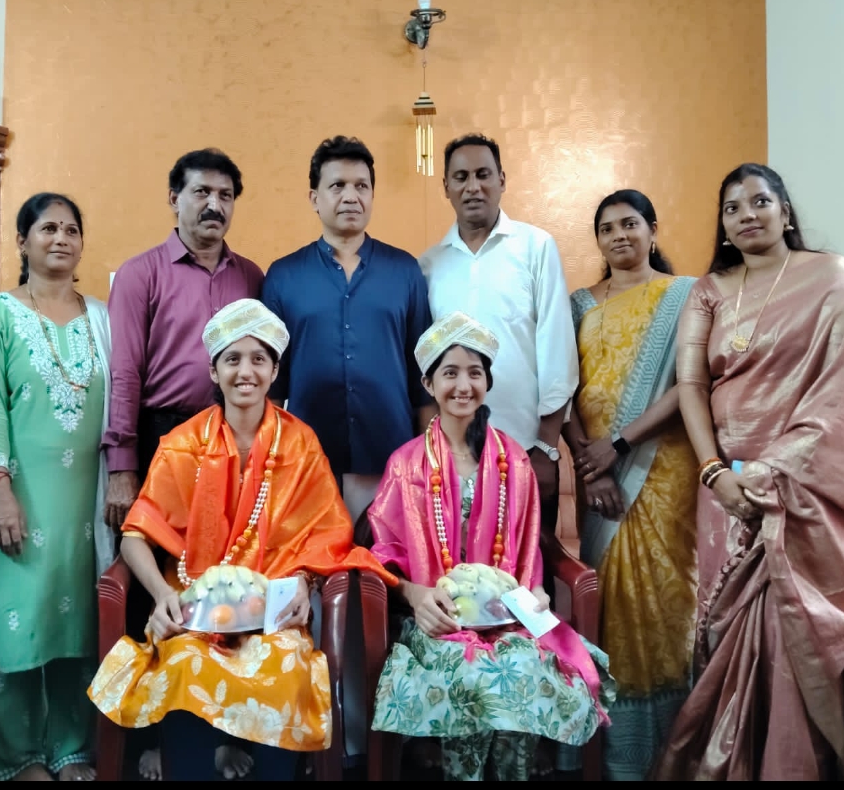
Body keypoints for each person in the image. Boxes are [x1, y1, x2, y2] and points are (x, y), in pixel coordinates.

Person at [88, 298, 395, 781]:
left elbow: (328, 531)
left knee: (286, 664)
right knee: (184, 662)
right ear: (214, 371)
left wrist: (304, 581)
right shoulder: (184, 443)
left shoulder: (300, 444)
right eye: (232, 359)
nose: (245, 371)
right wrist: (164, 594)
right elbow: (134, 535)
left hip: (272, 616)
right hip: (194, 613)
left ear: (275, 371)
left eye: (258, 359)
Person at [652, 164, 844, 780]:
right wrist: (714, 472)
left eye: (760, 201)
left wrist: (770, 471)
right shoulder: (709, 290)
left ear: (785, 211)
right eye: (732, 208)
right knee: (725, 631)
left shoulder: (833, 280)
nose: (747, 215)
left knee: (785, 634)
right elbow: (691, 385)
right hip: (723, 489)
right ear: (723, 225)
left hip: (803, 490)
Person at [368, 311, 614, 781]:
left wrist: (534, 593)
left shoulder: (513, 460)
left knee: (521, 664)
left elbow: (528, 546)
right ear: (428, 383)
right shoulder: (406, 464)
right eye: (450, 373)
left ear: (487, 382)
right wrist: (416, 596)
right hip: (438, 619)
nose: (463, 385)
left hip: (506, 616)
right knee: (470, 671)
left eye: (475, 373)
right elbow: (385, 552)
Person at [101, 148, 263, 779]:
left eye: (225, 195)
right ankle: (152, 738)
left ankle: (225, 729)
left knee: (226, 579)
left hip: (236, 437)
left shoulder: (251, 276)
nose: (213, 205)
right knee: (156, 583)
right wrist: (122, 464)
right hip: (160, 436)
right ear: (174, 198)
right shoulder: (140, 273)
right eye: (201, 192)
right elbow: (125, 372)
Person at [0, 192, 110, 781]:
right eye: (47, 228)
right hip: (20, 496)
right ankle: (17, 755)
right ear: (22, 241)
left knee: (76, 623)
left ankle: (71, 748)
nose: (61, 238)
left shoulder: (103, 317)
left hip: (86, 503)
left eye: (71, 229)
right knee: (15, 618)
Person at [563, 189, 698, 780]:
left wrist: (617, 446)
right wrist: (589, 464)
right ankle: (609, 750)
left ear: (652, 229)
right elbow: (563, 389)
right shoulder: (578, 305)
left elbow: (690, 383)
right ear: (597, 240)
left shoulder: (686, 296)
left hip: (662, 470)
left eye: (630, 223)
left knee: (669, 599)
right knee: (608, 601)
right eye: (607, 228)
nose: (619, 235)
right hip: (595, 477)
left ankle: (674, 748)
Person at [419, 133, 576, 555]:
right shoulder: (429, 266)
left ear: (502, 180)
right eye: (461, 177)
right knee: (459, 570)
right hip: (451, 458)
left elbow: (556, 349)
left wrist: (546, 448)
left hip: (526, 449)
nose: (473, 187)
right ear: (446, 188)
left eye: (483, 174)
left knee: (529, 570)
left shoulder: (535, 247)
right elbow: (427, 367)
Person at [262, 135, 433, 521]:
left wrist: (426, 457)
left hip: (390, 454)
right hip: (307, 460)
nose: (351, 196)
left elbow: (422, 376)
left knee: (383, 556)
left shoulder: (404, 271)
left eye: (361, 186)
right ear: (314, 198)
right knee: (313, 557)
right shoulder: (283, 276)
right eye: (337, 185)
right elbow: (271, 385)